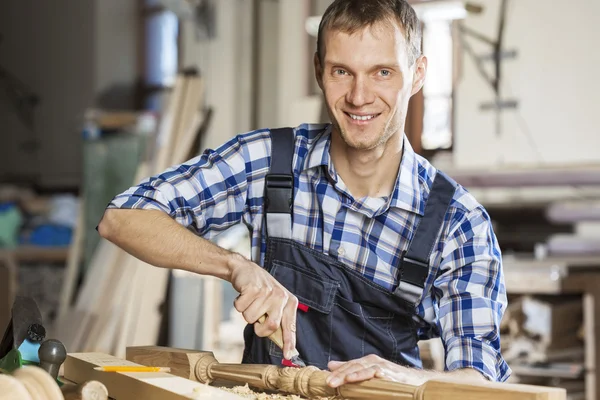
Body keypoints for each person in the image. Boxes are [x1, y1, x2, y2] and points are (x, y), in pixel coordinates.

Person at [98, 0, 510, 388]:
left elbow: (481, 381)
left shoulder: (457, 223)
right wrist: (235, 266)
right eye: (341, 71)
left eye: (382, 72)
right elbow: (122, 218)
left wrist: (411, 378)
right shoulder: (268, 162)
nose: (359, 96)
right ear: (319, 71)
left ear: (418, 75)